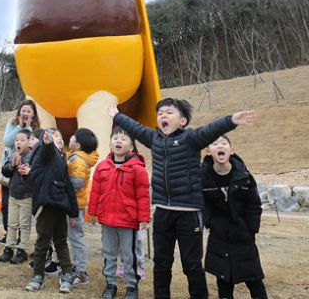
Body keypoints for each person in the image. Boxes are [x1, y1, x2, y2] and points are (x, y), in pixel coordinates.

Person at [107, 99, 257, 299]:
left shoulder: (191, 138)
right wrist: (117, 116)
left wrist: (231, 121)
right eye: (160, 113)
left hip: (188, 213)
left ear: (183, 121)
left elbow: (210, 130)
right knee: (161, 264)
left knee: (192, 266)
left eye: (169, 112)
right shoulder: (154, 139)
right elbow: (135, 128)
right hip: (162, 212)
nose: (163, 116)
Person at [202, 135, 268, 299]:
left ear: (231, 151)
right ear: (208, 151)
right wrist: (211, 223)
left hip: (243, 234)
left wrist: (251, 229)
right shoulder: (203, 177)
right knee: (224, 281)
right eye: (215, 144)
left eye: (223, 143)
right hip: (219, 235)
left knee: (254, 279)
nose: (220, 146)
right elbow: (202, 204)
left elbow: (254, 205)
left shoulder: (243, 176)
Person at [88, 127, 150, 299]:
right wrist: (92, 211)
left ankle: (131, 287)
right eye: (115, 138)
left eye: (123, 139)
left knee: (129, 256)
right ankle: (111, 284)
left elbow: (143, 194)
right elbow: (96, 192)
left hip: (128, 220)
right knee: (108, 253)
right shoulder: (102, 167)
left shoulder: (137, 169)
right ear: (110, 143)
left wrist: (144, 217)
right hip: (107, 219)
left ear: (131, 147)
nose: (118, 141)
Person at [26, 128, 79, 294]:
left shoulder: (62, 157)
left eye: (61, 136)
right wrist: (47, 141)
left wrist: (73, 212)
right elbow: (46, 148)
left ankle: (67, 275)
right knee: (42, 242)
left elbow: (69, 186)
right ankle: (38, 276)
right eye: (56, 137)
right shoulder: (46, 153)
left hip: (60, 207)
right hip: (47, 204)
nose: (60, 139)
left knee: (61, 242)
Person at [0, 99, 40, 242]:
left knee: (24, 207)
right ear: (19, 111)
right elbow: (7, 142)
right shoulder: (12, 123)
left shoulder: (35, 129)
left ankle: (21, 239)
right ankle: (9, 234)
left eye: (29, 111)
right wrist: (20, 127)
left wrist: (28, 128)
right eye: (23, 110)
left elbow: (34, 147)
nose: (25, 113)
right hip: (9, 166)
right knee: (6, 204)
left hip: (25, 170)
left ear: (33, 115)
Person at [66, 127, 99, 286]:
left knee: (76, 237)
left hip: (75, 205)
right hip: (75, 204)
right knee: (74, 236)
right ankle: (77, 266)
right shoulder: (76, 157)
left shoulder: (78, 160)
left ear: (78, 145)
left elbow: (77, 183)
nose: (70, 138)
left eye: (73, 137)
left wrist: (61, 184)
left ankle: (81, 272)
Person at [0, 130, 33, 265]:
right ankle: (9, 248)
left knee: (24, 225)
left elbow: (32, 177)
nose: (18, 142)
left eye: (22, 140)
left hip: (26, 196)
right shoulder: (12, 155)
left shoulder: (32, 158)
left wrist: (24, 168)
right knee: (11, 223)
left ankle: (22, 250)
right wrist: (12, 165)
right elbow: (5, 172)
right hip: (13, 195)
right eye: (17, 140)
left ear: (29, 143)